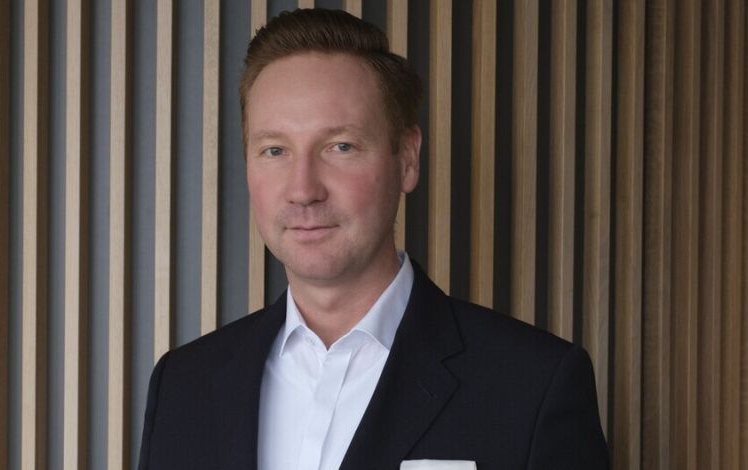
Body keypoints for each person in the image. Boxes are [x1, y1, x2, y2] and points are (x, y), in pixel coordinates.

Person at [138, 8, 608, 470]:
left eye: (340, 146)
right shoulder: (182, 387)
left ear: (407, 159)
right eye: (275, 150)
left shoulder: (533, 386)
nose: (303, 189)